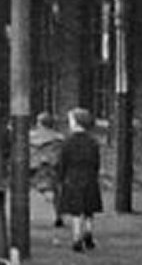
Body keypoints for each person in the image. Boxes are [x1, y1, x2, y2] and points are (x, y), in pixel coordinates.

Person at [57, 107, 102, 252]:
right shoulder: (93, 142)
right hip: (89, 176)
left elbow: (63, 162)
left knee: (76, 210)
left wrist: (61, 177)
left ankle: (76, 237)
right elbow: (96, 162)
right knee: (89, 208)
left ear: (75, 122)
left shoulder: (67, 142)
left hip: (73, 177)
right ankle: (88, 233)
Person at [29, 111, 65, 227]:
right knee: (57, 190)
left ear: (39, 123)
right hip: (51, 167)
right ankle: (57, 215)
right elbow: (61, 155)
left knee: (29, 190)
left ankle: (31, 215)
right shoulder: (59, 138)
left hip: (34, 167)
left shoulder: (30, 137)